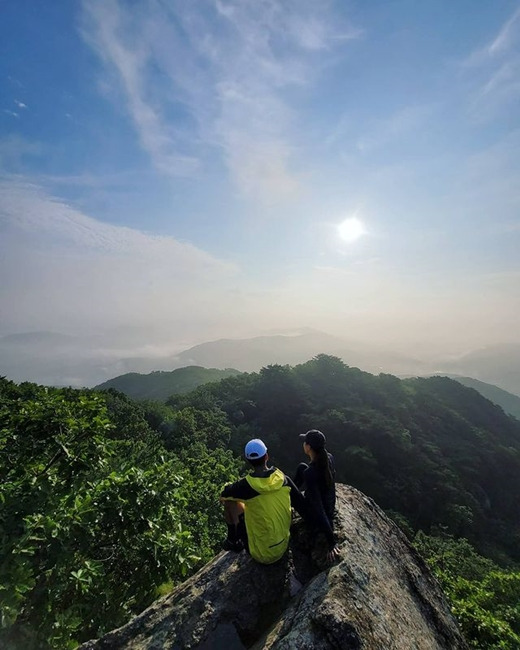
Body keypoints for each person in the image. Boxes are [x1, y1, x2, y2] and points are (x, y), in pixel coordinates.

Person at [220, 438, 305, 564]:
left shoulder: (245, 486)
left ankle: (233, 539)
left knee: (231, 501)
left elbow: (223, 494)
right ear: (267, 456)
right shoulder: (283, 479)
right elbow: (302, 505)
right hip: (283, 546)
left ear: (248, 461)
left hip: (260, 553)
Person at [294, 429, 341, 563]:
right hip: (329, 506)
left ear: (308, 447)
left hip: (315, 517)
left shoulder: (311, 473)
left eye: (305, 442)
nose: (303, 444)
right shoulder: (329, 458)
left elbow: (318, 508)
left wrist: (331, 541)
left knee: (287, 482)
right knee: (302, 467)